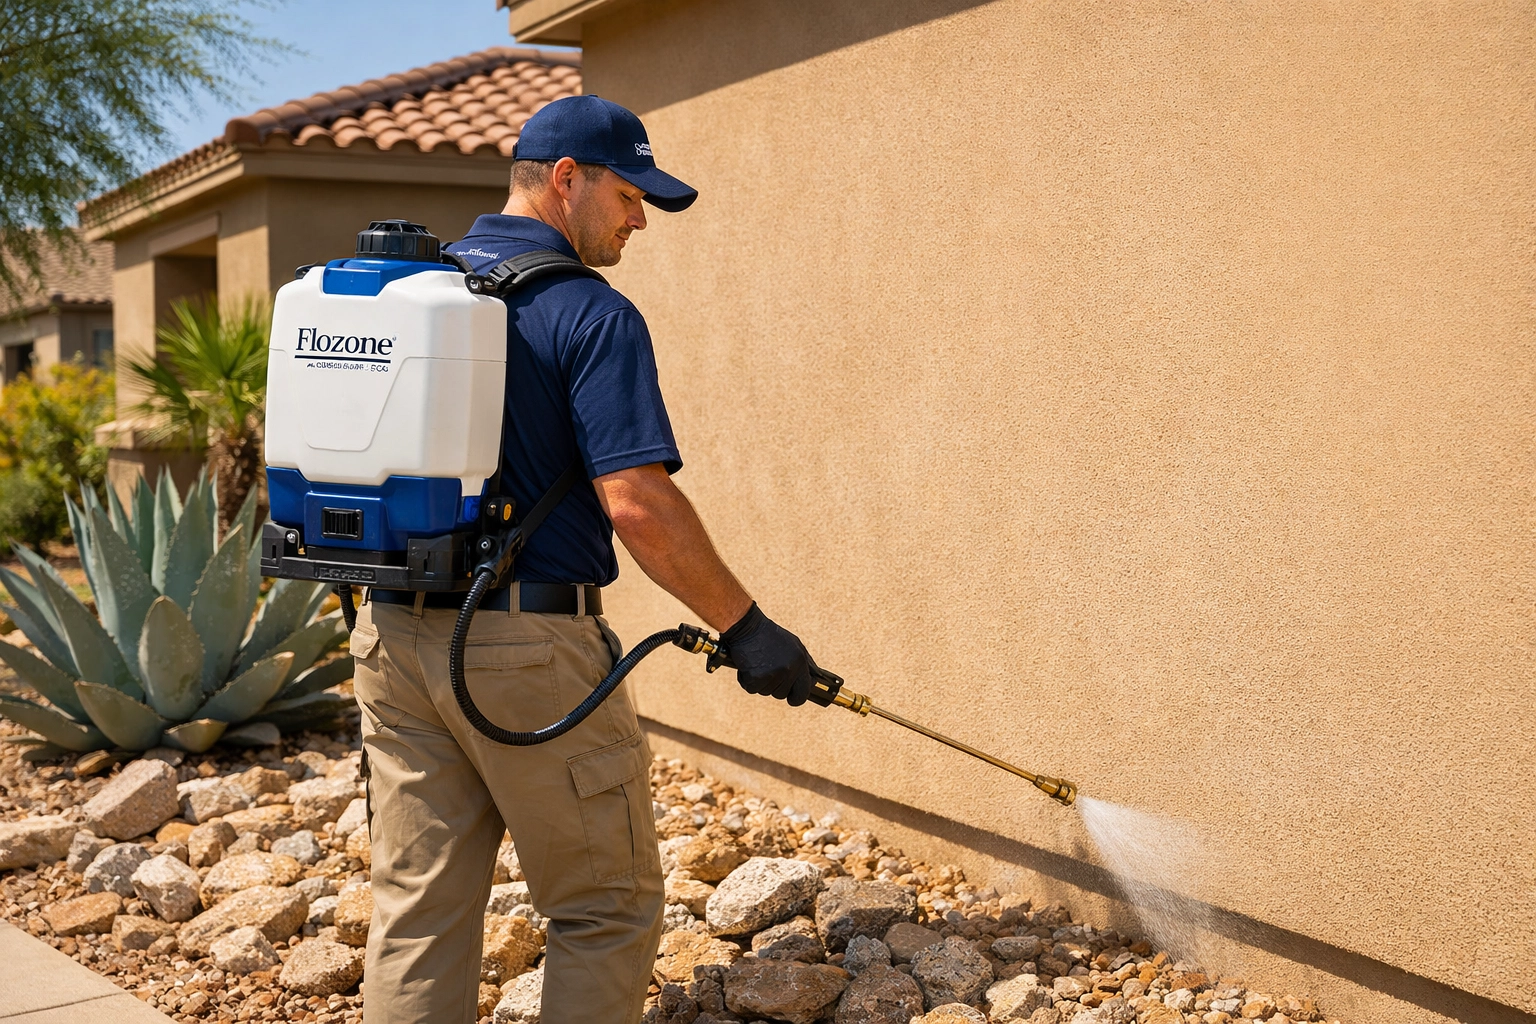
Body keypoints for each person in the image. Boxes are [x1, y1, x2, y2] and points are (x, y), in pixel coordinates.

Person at [350, 94, 821, 1024]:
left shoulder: (420, 292)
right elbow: (638, 504)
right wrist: (749, 629)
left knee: (419, 911)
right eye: (629, 192)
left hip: (393, 639)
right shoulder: (590, 315)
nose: (640, 216)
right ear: (566, 181)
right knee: (604, 908)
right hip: (527, 652)